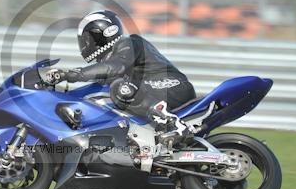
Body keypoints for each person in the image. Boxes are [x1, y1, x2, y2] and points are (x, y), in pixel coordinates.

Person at [45, 10, 197, 140]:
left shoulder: (128, 43)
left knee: (121, 88)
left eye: (88, 38)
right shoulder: (110, 60)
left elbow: (117, 67)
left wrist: (72, 74)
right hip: (154, 91)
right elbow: (96, 87)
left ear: (103, 34)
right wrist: (64, 96)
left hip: (172, 85)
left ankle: (173, 124)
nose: (85, 44)